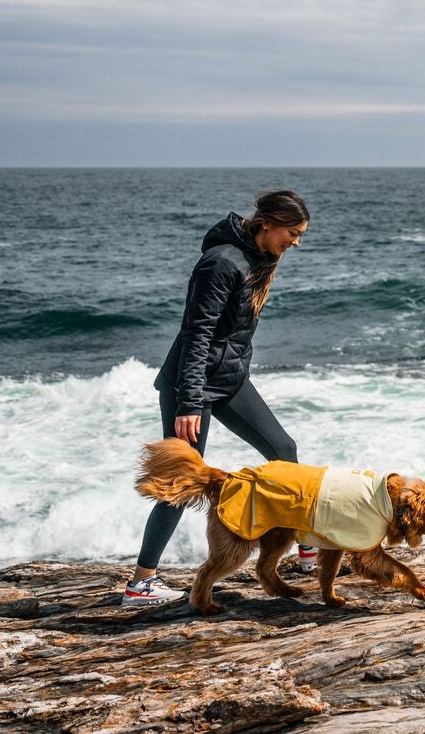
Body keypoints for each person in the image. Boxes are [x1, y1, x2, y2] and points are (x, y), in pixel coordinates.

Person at [123, 189, 312, 606]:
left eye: (300, 235)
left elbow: (231, 333)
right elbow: (197, 333)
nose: (295, 242)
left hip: (227, 379)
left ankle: (303, 545)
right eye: (292, 233)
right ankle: (140, 584)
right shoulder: (222, 262)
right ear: (268, 223)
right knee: (182, 484)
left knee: (283, 449)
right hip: (190, 385)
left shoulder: (261, 257)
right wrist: (189, 401)